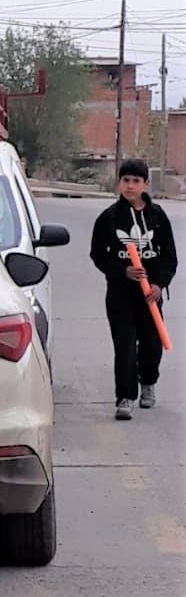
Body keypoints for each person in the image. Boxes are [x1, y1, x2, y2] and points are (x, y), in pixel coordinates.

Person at [90, 159, 178, 420]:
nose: (130, 186)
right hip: (120, 295)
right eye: (126, 180)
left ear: (145, 184)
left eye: (136, 181)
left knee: (152, 345)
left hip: (150, 294)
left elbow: (169, 257)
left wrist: (159, 284)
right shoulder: (108, 218)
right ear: (120, 183)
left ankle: (148, 383)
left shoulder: (158, 217)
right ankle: (125, 397)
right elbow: (98, 255)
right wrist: (122, 271)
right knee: (125, 346)